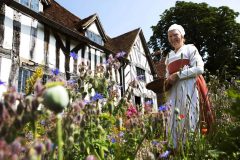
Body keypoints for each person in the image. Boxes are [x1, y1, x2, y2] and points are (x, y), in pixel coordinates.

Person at [164, 24, 214, 148]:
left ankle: (192, 148)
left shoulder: (190, 49)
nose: (173, 38)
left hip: (189, 89)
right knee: (174, 120)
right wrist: (167, 81)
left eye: (175, 35)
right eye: (170, 36)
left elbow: (199, 68)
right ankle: (175, 149)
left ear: (182, 35)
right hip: (173, 93)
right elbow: (167, 75)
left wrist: (178, 74)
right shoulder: (168, 56)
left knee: (190, 116)